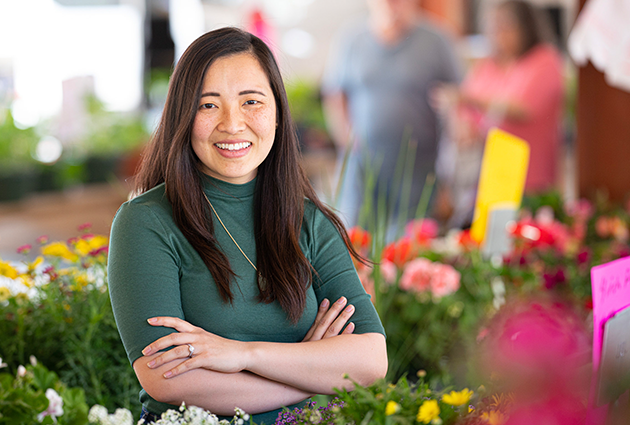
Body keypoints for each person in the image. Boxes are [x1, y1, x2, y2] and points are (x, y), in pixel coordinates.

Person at [107, 27, 387, 424]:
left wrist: (241, 354)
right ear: (183, 117)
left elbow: (371, 359)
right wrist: (312, 376)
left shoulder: (310, 221)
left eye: (251, 101)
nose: (233, 124)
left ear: (276, 112)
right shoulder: (147, 222)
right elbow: (167, 379)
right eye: (208, 106)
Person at [322, 0, 461, 237]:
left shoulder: (437, 40)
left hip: (418, 167)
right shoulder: (352, 39)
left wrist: (449, 174)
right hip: (363, 166)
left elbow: (457, 101)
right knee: (354, 240)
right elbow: (335, 95)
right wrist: (346, 142)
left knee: (406, 245)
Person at [434, 0, 565, 209]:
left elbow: (521, 108)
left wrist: (467, 100)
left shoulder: (545, 60)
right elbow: (464, 108)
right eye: (493, 26)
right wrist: (462, 122)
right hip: (489, 181)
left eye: (506, 25)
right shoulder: (488, 65)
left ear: (525, 26)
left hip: (531, 183)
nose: (498, 33)